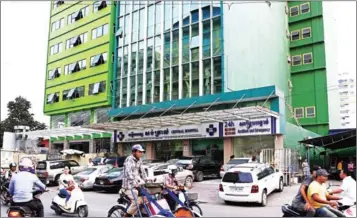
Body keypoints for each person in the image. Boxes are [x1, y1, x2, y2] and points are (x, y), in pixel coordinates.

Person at [122, 144, 148, 217]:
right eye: (139, 152)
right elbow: (128, 173)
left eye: (142, 152)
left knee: (146, 199)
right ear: (134, 152)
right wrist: (134, 183)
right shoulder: (129, 159)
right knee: (137, 202)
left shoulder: (139, 160)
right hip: (128, 186)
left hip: (137, 185)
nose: (141, 153)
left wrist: (147, 180)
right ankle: (126, 216)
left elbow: (142, 172)